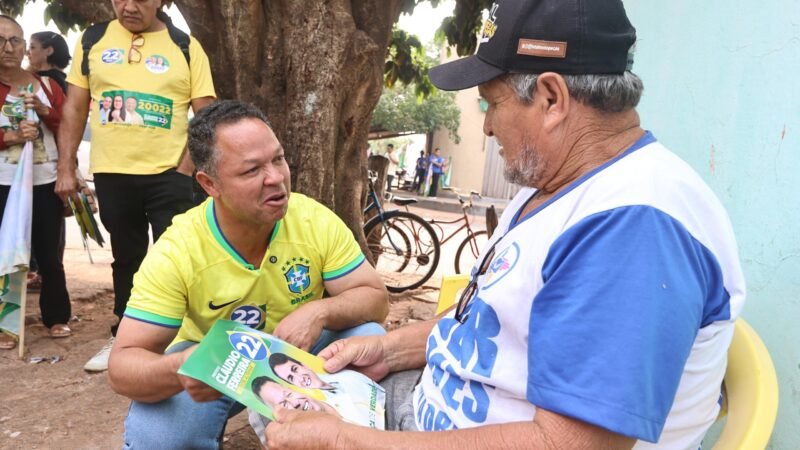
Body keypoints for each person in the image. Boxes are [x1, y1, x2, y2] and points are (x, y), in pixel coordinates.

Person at [261, 0, 746, 449]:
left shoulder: (632, 228)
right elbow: (492, 327)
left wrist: (343, 439)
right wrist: (390, 348)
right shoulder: (553, 188)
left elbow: (566, 445)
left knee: (290, 425)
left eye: (492, 103)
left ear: (552, 98)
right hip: (438, 407)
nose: (488, 126)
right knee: (277, 402)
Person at [107, 100, 389, 449]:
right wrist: (181, 367)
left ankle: (336, 432)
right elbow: (122, 365)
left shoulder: (312, 219)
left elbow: (375, 298)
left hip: (300, 351)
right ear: (210, 184)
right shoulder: (178, 250)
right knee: (161, 438)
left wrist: (319, 310)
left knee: (370, 337)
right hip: (215, 363)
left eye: (278, 159)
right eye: (251, 170)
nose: (276, 178)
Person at [55, 0, 217, 372]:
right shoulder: (93, 40)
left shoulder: (184, 46)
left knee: (176, 257)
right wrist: (66, 168)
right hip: (112, 173)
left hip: (169, 175)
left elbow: (206, 112)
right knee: (126, 257)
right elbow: (76, 108)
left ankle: (183, 341)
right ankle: (124, 338)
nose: (128, 6)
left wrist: (185, 169)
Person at [0, 16, 70, 350]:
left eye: (16, 40)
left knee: (48, 253)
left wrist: (44, 110)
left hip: (44, 180)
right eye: (1, 40)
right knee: (5, 252)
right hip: (3, 183)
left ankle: (56, 317)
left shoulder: (45, 85)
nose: (9, 48)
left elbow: (66, 125)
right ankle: (6, 324)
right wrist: (10, 136)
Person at [252, 377, 339, 416]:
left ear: (292, 388)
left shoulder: (339, 388)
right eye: (284, 404)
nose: (295, 403)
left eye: (289, 394)